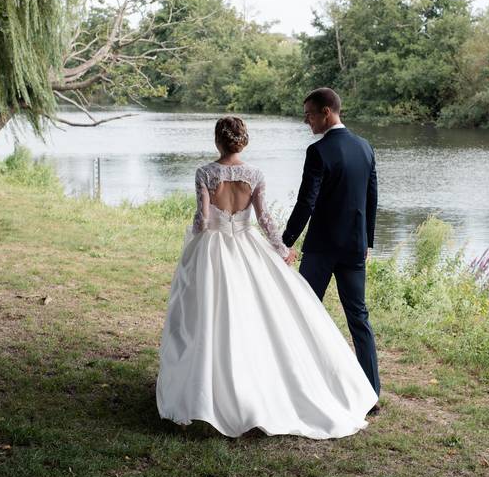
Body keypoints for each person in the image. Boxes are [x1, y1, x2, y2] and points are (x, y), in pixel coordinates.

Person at [156, 115, 378, 439]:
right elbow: (265, 219)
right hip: (248, 246)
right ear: (242, 141)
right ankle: (254, 384)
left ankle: (206, 390)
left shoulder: (205, 173)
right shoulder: (255, 174)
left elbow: (202, 221)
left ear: (218, 140)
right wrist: (281, 248)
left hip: (212, 250)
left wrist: (194, 237)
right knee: (254, 315)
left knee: (205, 317)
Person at [282, 88, 381, 411]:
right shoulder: (365, 148)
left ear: (327, 112)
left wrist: (286, 239)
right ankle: (371, 394)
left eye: (309, 114)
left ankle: (300, 387)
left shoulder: (319, 151)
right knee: (359, 318)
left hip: (322, 248)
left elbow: (306, 202)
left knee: (302, 312)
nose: (306, 121)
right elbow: (371, 199)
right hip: (353, 247)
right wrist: (367, 241)